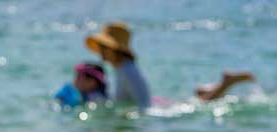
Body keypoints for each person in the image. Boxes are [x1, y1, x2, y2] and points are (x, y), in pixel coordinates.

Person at [86, 21, 255, 109]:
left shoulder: (128, 71)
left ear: (114, 50)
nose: (99, 52)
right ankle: (214, 87)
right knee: (196, 99)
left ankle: (225, 84)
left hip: (158, 110)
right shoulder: (122, 68)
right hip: (157, 103)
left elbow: (144, 106)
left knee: (203, 105)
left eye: (103, 47)